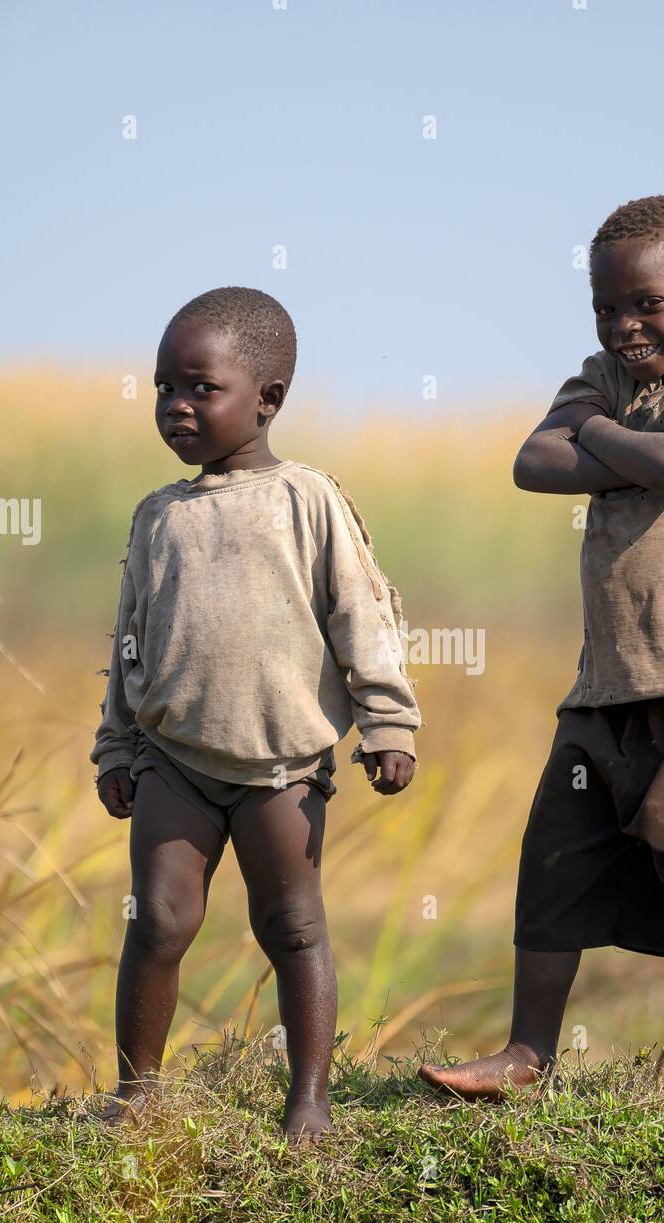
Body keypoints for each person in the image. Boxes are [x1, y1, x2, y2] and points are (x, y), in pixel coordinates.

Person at [418, 195, 664, 1102]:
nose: (623, 325)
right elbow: (532, 461)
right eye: (606, 307)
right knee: (556, 860)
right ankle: (529, 1054)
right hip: (608, 683)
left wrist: (599, 433)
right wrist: (629, 439)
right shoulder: (603, 373)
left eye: (646, 304)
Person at [91, 287, 420, 1141]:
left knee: (293, 926)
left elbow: (364, 616)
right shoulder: (159, 515)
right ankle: (138, 1094)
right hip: (174, 758)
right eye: (165, 387)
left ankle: (309, 1099)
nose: (176, 406)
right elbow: (130, 638)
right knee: (158, 920)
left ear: (267, 399)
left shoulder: (309, 500)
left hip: (282, 765)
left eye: (201, 388)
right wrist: (117, 745)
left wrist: (389, 724)